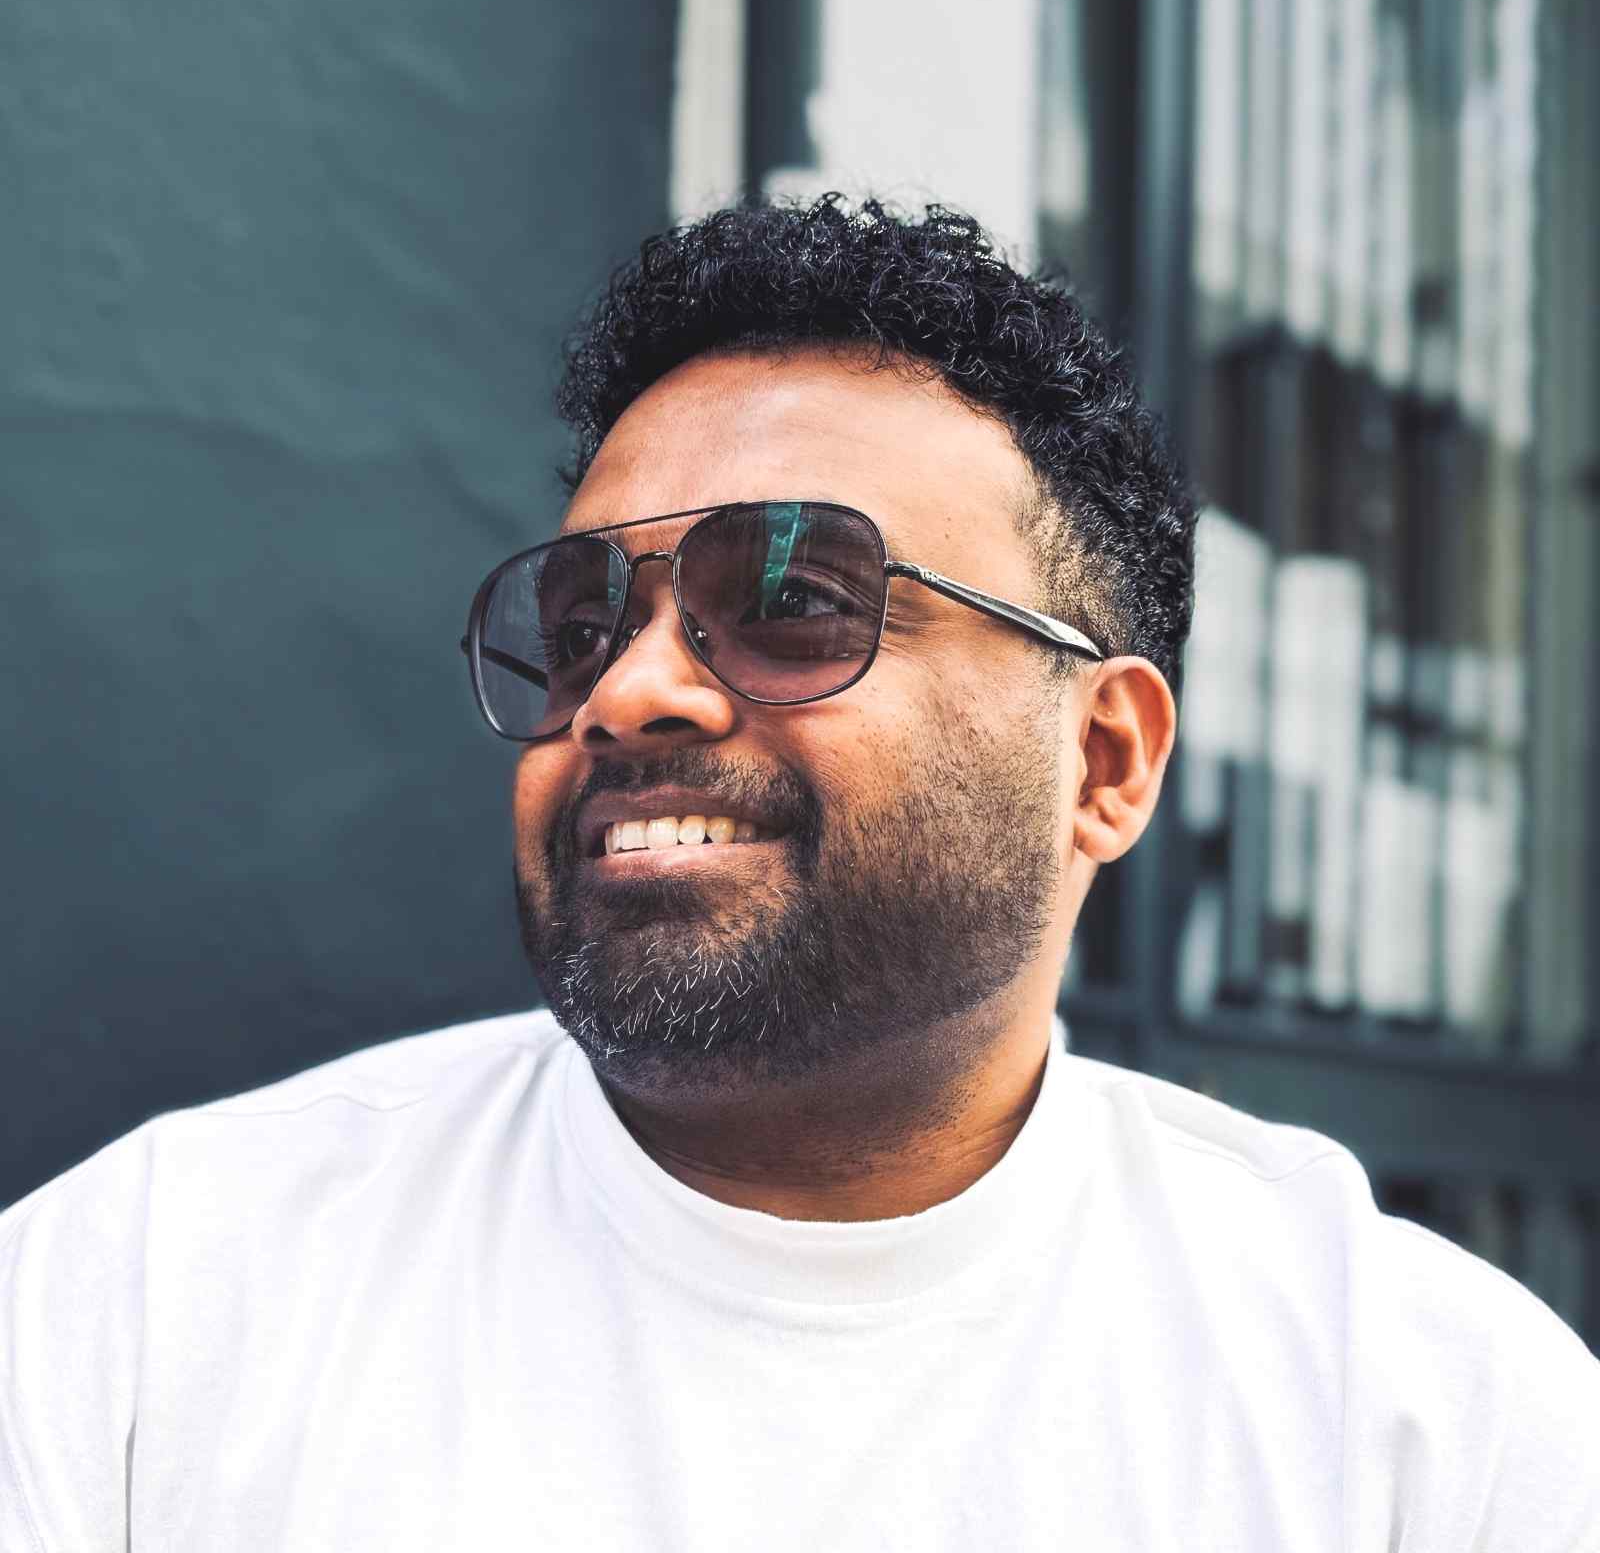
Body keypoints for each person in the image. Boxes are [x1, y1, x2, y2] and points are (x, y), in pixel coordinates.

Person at [2, 196, 1596, 1551]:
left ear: (1104, 764)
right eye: (583, 626)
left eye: (796, 600)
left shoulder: (1421, 1431)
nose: (628, 691)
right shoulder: (145, 1310)